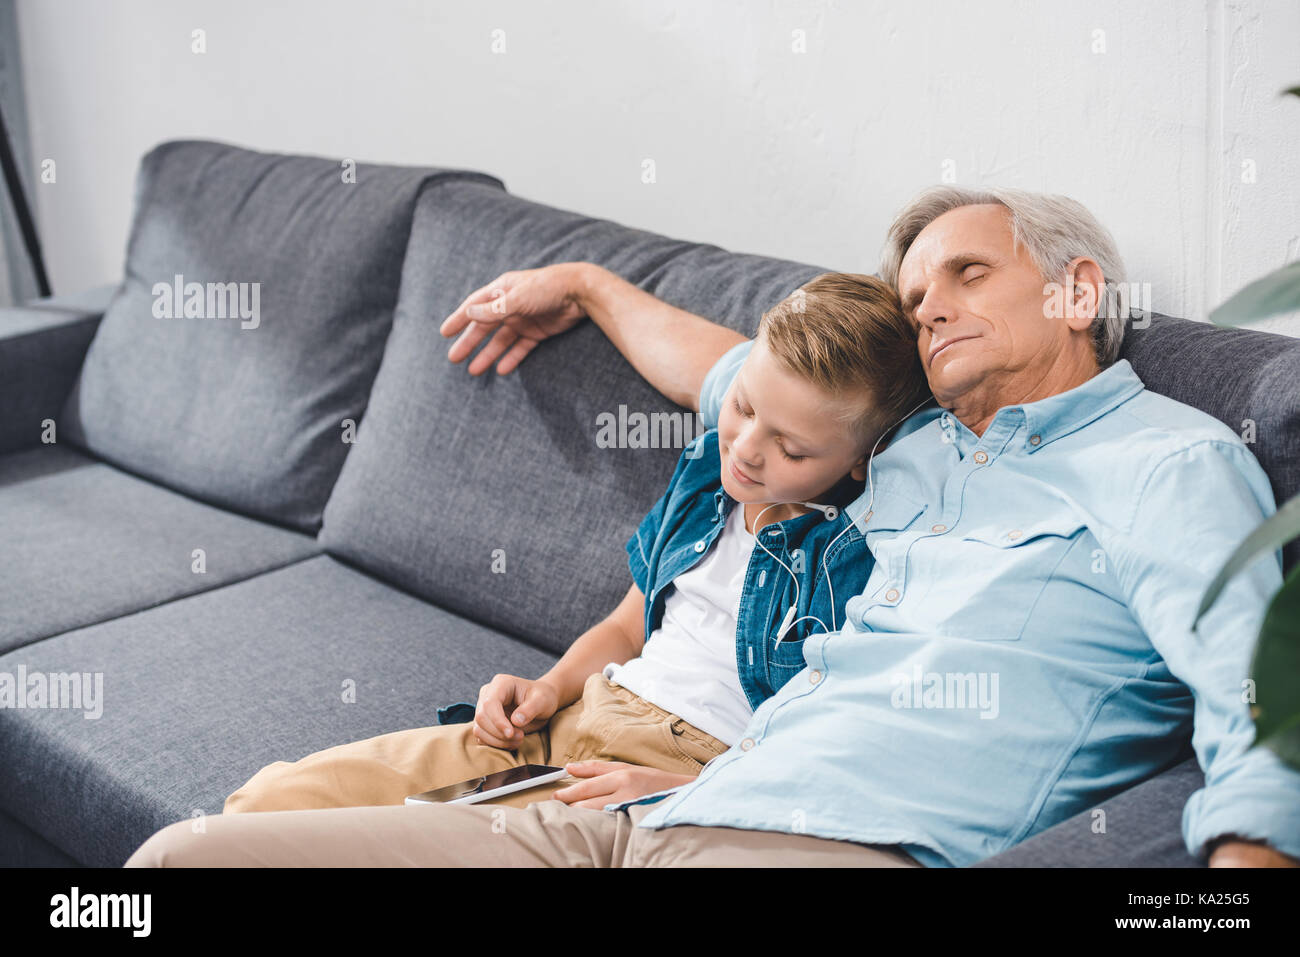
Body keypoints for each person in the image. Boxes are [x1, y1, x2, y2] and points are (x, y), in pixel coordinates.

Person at [127, 185, 1300, 868]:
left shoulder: (1167, 463)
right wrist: (585, 284)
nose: (930, 304)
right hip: (649, 804)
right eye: (914, 296)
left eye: (967, 274)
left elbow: (1261, 705)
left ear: (1077, 293)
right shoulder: (911, 443)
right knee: (184, 863)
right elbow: (737, 378)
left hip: (808, 845)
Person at [218, 272, 932, 816]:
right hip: (575, 718)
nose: (744, 450)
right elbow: (627, 624)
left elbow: (831, 738)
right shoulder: (705, 481)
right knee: (271, 802)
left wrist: (690, 788)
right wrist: (546, 687)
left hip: (674, 765)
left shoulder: (854, 557)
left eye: (791, 448)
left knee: (349, 850)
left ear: (863, 459)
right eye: (742, 407)